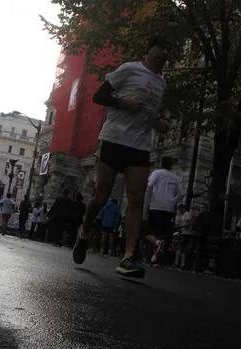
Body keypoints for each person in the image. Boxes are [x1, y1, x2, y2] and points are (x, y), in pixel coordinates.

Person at [72, 35, 171, 278]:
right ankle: (84, 232)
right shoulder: (129, 69)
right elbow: (99, 97)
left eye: (168, 53)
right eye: (160, 50)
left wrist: (158, 123)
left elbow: (148, 113)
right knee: (101, 197)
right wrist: (123, 103)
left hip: (140, 145)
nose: (164, 56)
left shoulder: (162, 84)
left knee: (136, 199)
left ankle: (128, 257)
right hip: (114, 139)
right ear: (148, 52)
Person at [145, 157, 183, 266]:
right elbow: (181, 194)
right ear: (171, 165)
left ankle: (157, 245)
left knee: (148, 233)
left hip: (156, 206)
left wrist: (151, 197)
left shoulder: (157, 173)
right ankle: (154, 258)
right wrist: (173, 201)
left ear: (161, 163)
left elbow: (150, 185)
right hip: (168, 209)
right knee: (158, 234)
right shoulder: (175, 178)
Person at [173, 203, 192, 268]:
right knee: (183, 249)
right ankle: (182, 264)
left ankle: (176, 262)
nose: (179, 211)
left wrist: (178, 226)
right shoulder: (184, 215)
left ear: (183, 208)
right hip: (184, 233)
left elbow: (188, 224)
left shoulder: (187, 214)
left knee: (179, 246)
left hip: (186, 234)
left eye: (180, 209)